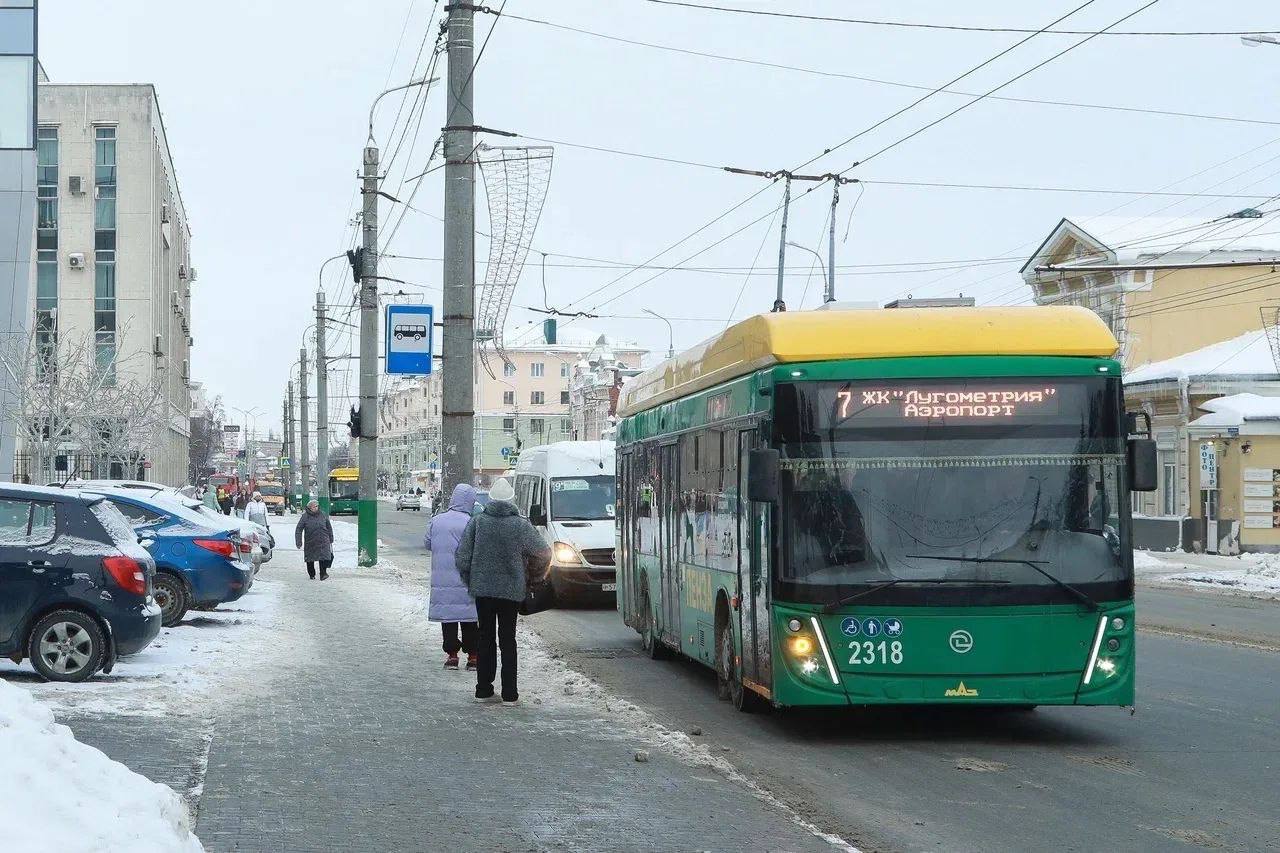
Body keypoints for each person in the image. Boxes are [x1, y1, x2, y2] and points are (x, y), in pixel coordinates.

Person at [456, 477, 551, 705]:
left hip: (483, 591)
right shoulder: (520, 525)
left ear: (490, 499)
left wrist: (472, 579)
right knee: (508, 639)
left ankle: (483, 690)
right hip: (511, 592)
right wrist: (533, 577)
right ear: (512, 500)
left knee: (485, 638)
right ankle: (510, 694)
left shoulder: (478, 523)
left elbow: (462, 558)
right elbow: (544, 553)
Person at [423, 484, 479, 670]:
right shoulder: (471, 522)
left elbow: (428, 543)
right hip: (466, 579)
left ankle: (452, 656)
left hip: (442, 580)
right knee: (469, 618)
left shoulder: (436, 520)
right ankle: (472, 657)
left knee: (448, 619)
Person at [295, 498, 334, 580]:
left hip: (323, 539)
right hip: (311, 541)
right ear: (309, 508)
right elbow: (299, 529)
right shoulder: (305, 517)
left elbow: (329, 527)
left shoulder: (323, 514)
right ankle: (312, 574)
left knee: (324, 557)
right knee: (310, 558)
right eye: (313, 507)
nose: (316, 508)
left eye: (316, 506)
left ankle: (323, 574)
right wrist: (299, 541)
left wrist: (331, 537)